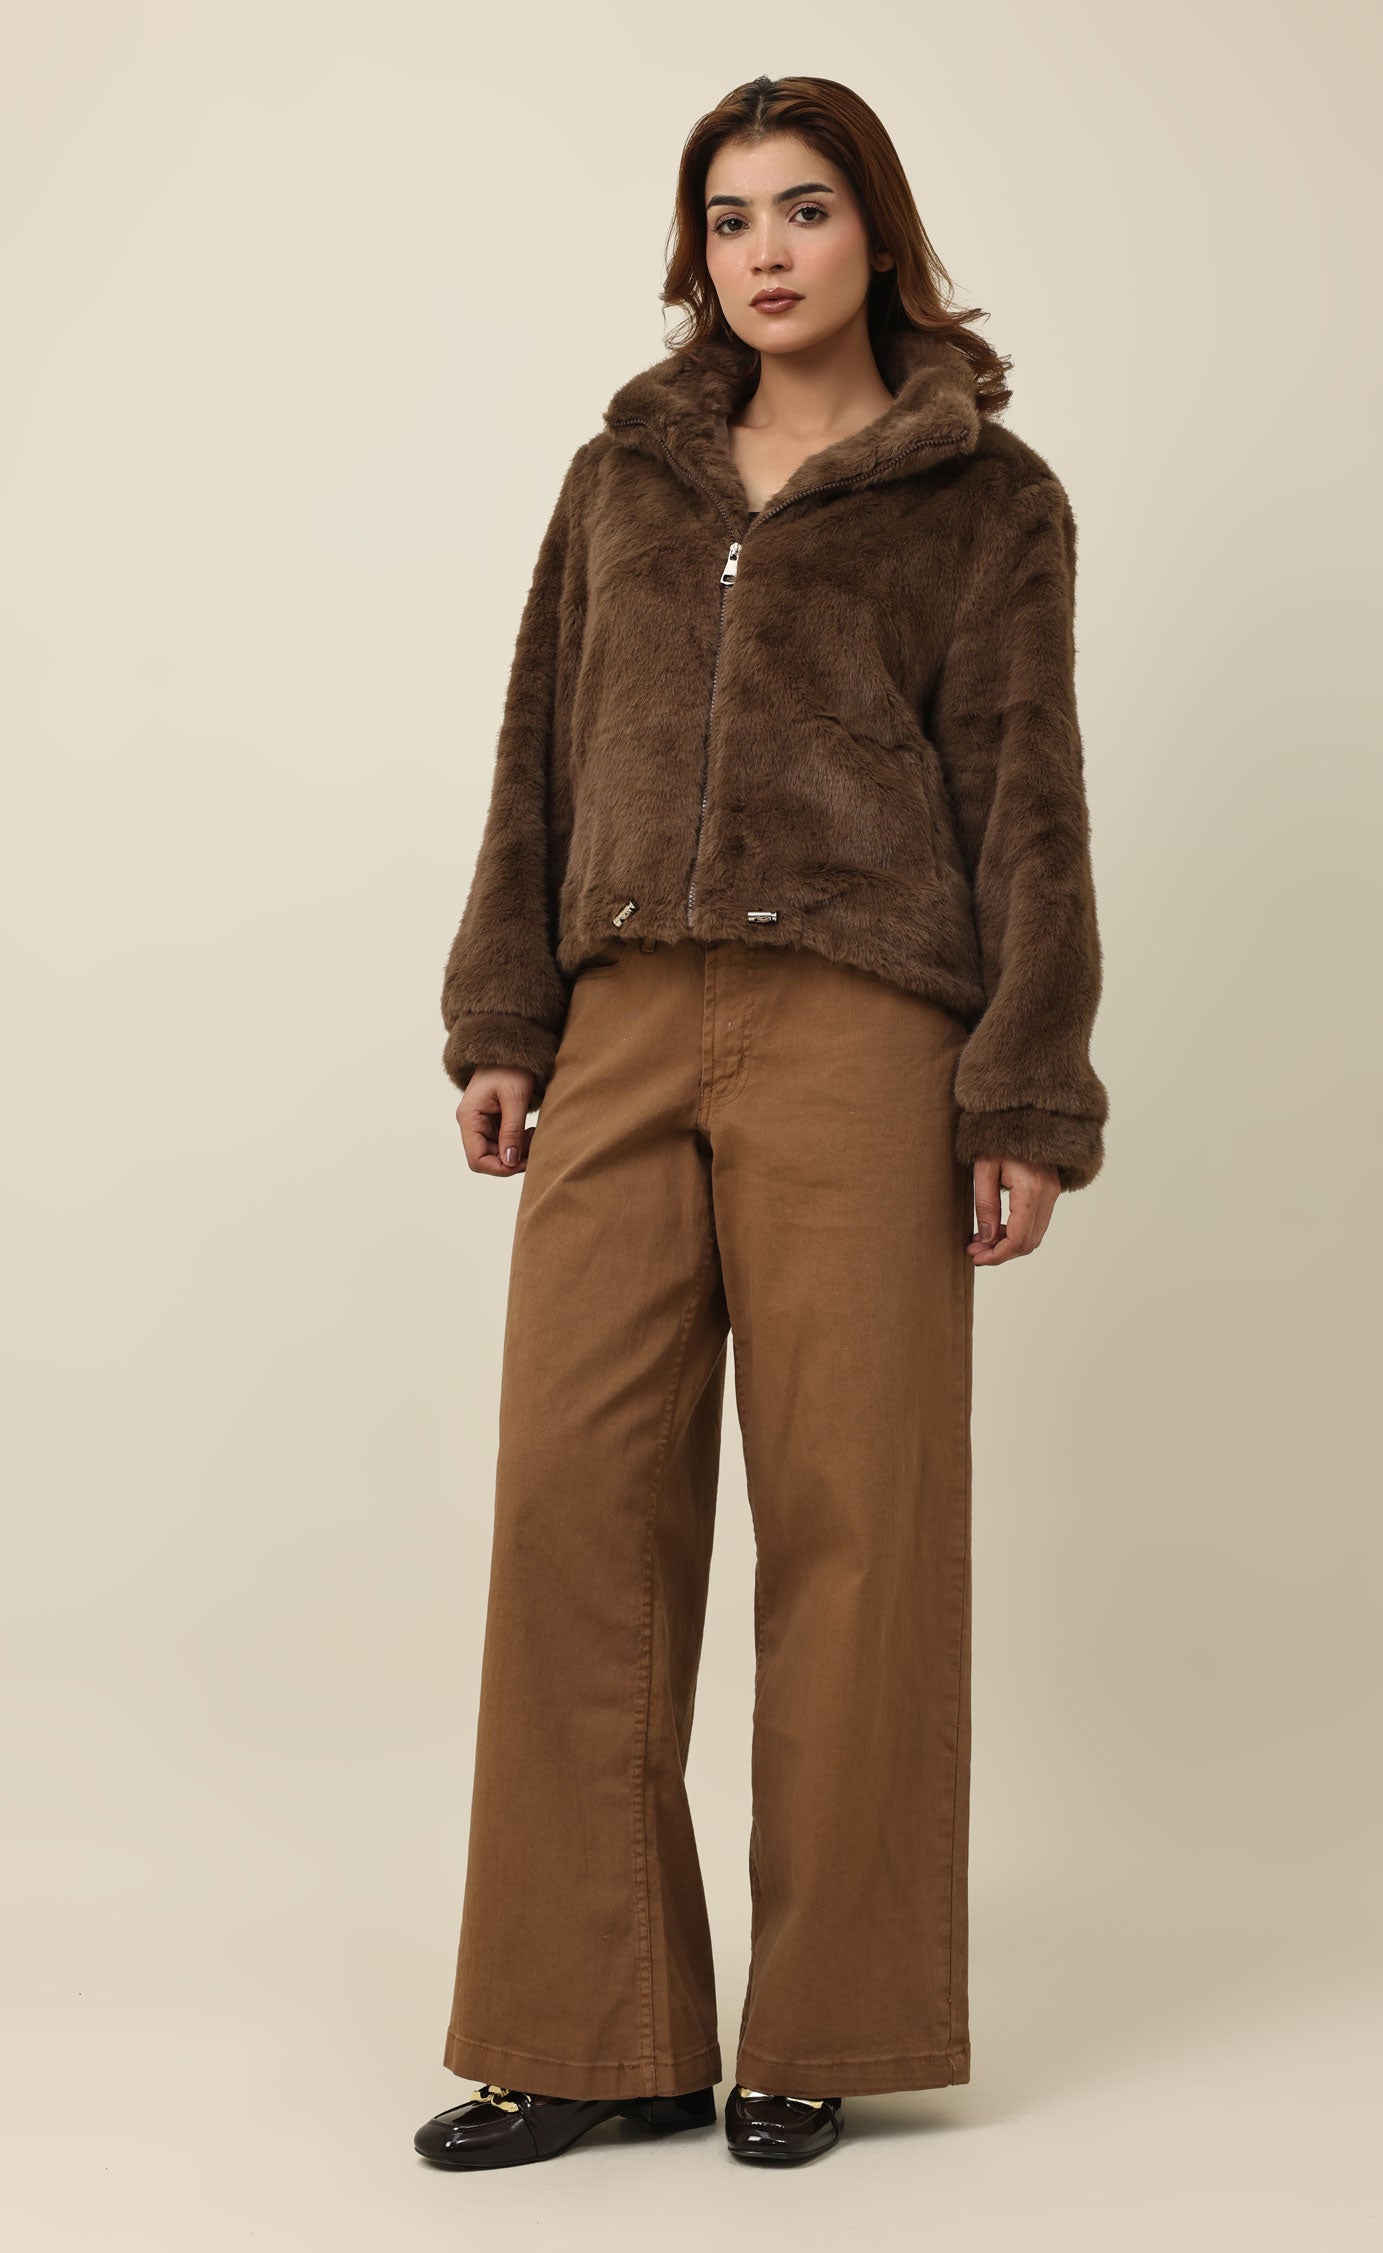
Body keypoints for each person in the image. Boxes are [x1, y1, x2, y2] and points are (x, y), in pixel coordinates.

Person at [414, 72, 1109, 2174]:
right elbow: (538, 745)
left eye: (804, 209)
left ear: (876, 231)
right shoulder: (621, 476)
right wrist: (503, 1009)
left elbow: (1029, 797)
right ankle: (594, 2027)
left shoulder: (985, 496)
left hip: (865, 1033)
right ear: (696, 251)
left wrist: (1023, 1088)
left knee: (852, 1523)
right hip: (625, 1016)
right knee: (572, 1504)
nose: (766, 251)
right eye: (729, 219)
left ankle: (827, 2019)